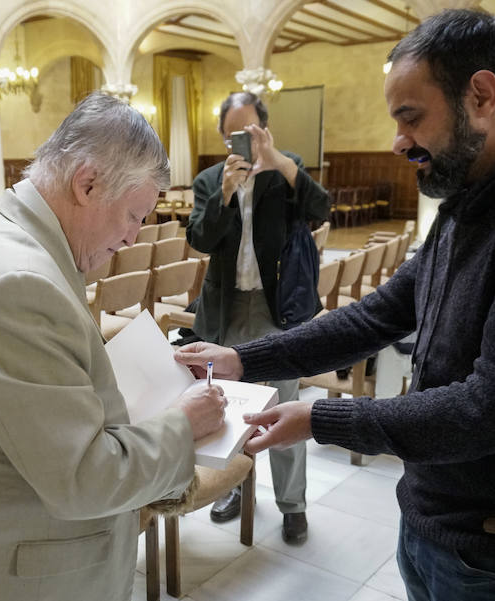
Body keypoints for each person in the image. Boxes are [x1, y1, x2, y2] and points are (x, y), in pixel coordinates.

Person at [175, 10, 495, 601]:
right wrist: (243, 361)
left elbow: (491, 408)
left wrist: (321, 419)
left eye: (411, 117)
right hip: (436, 521)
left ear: (480, 95)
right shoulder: (474, 196)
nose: (398, 142)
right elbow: (380, 313)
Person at [0, 92, 227, 601]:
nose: (132, 237)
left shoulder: (14, 237)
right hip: (14, 578)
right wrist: (184, 425)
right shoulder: (14, 283)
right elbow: (83, 478)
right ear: (88, 182)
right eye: (133, 215)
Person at [187, 91, 329, 544]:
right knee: (227, 410)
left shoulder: (286, 170)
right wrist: (225, 196)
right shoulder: (211, 179)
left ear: (264, 129)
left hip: (277, 309)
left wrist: (280, 163)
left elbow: (320, 209)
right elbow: (201, 240)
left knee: (284, 406)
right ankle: (231, 489)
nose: (244, 142)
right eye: (235, 133)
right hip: (227, 311)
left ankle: (293, 504)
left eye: (252, 130)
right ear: (223, 136)